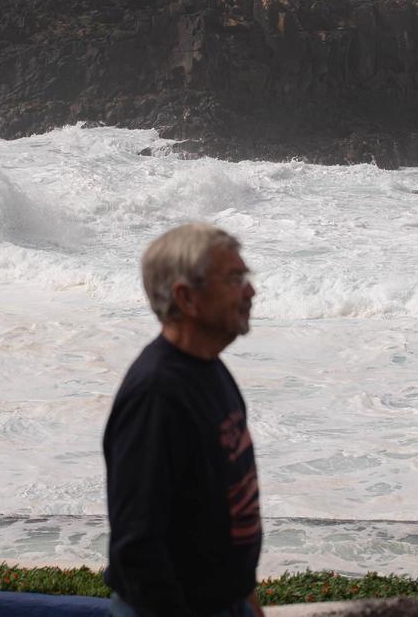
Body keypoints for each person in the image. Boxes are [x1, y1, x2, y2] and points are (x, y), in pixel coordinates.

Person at [103, 223, 264, 617]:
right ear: (186, 297)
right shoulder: (156, 397)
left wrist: (247, 600)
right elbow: (138, 549)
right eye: (234, 279)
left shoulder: (210, 369)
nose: (250, 291)